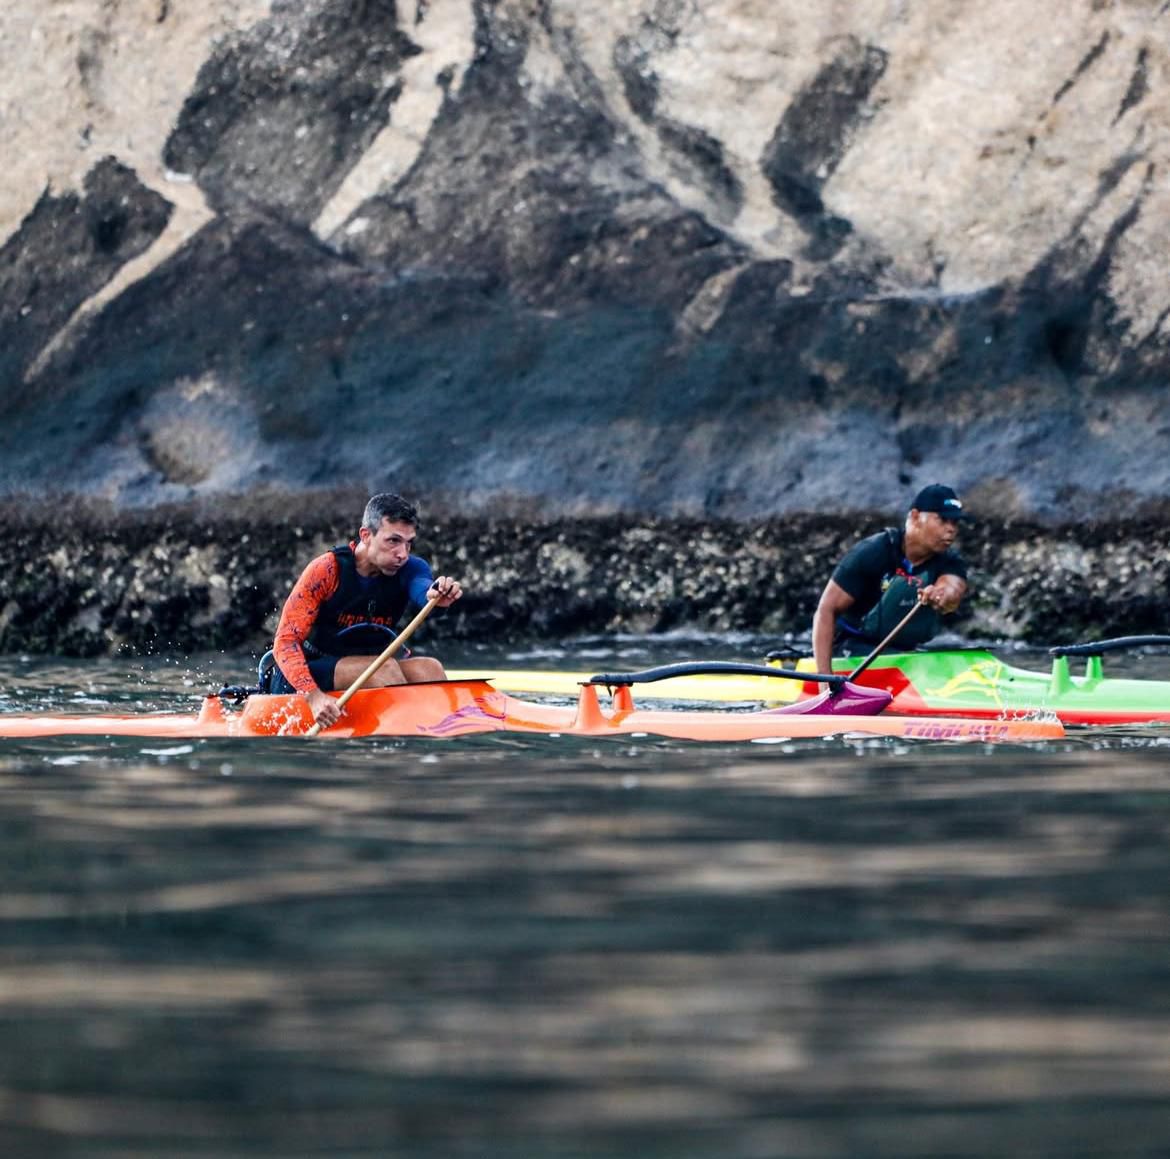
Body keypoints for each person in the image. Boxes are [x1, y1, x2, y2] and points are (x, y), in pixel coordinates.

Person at [265, 492, 463, 728]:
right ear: (366, 535)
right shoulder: (327, 571)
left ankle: (441, 731)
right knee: (385, 670)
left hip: (367, 668)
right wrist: (314, 697)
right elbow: (285, 642)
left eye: (409, 543)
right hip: (306, 675)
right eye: (393, 541)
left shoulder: (411, 568)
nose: (402, 553)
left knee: (430, 669)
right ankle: (409, 734)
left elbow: (423, 589)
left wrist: (436, 595)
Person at [811, 483, 969, 675]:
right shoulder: (873, 552)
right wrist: (825, 683)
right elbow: (826, 610)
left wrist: (941, 595)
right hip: (852, 648)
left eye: (955, 522)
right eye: (943, 520)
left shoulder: (950, 561)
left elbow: (952, 589)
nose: (951, 529)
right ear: (915, 516)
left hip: (903, 653)